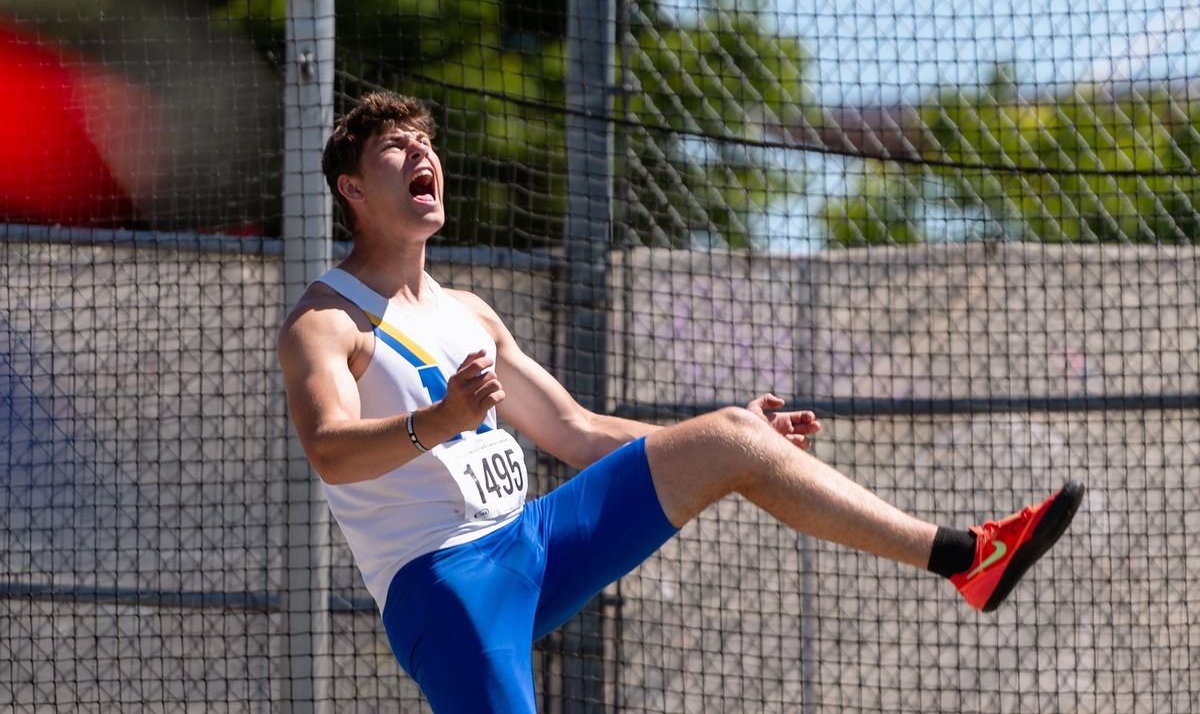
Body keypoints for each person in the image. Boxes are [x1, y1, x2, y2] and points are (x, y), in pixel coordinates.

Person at [276, 91, 1084, 712]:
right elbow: (332, 450)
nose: (421, 152)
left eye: (425, 142)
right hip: (445, 586)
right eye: (395, 146)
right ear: (351, 187)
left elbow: (579, 430)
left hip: (535, 538)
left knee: (732, 435)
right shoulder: (325, 319)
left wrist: (735, 438)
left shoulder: (471, 314)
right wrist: (439, 422)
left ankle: (967, 557)